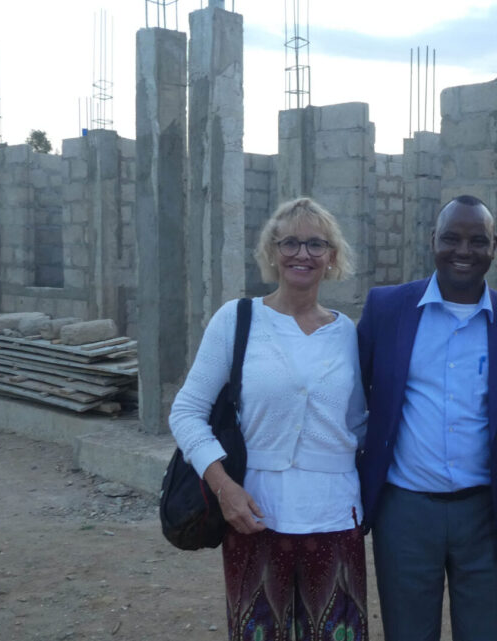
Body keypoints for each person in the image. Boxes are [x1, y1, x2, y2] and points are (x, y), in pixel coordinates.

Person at [168, 197, 369, 641]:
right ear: (272, 251)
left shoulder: (347, 333)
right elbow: (187, 411)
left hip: (333, 516)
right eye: (290, 242)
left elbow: (358, 426)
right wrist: (225, 489)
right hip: (253, 515)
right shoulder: (237, 320)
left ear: (332, 257)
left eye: (316, 244)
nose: (303, 254)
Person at [356, 195, 497, 641]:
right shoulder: (386, 309)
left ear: (494, 245)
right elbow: (355, 394)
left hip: (487, 515)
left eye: (478, 240)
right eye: (451, 238)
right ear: (432, 240)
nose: (464, 250)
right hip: (405, 512)